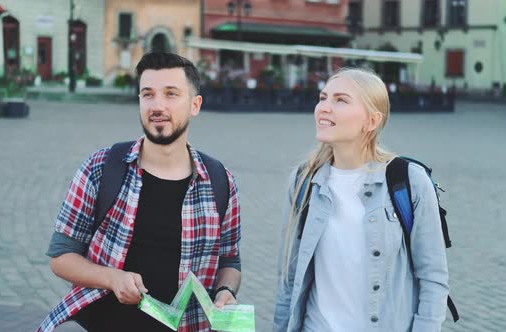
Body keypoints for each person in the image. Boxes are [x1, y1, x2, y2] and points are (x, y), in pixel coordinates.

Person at [38, 52, 241, 332]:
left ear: (195, 105)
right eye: (148, 94)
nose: (157, 105)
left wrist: (226, 292)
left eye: (171, 94)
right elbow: (61, 256)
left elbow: (229, 260)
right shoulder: (101, 167)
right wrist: (111, 278)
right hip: (102, 323)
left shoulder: (220, 181)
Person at [273, 68, 449, 331]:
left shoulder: (408, 181)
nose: (324, 107)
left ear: (372, 120)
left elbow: (433, 279)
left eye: (340, 100)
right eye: (323, 97)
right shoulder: (304, 181)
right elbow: (289, 278)